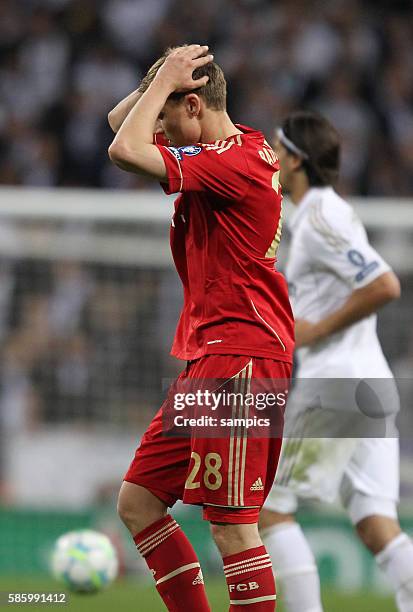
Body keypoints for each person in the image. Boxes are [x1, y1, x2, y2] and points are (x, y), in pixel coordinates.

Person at [108, 45, 294, 611]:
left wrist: (163, 81)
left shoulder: (233, 165)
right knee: (138, 501)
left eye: (167, 115)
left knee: (233, 526)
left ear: (192, 105)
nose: (159, 129)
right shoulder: (229, 146)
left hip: (242, 357)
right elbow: (121, 122)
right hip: (211, 358)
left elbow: (122, 148)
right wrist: (161, 86)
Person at [259, 111, 413, 612]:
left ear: (297, 160)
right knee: (376, 525)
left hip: (337, 385)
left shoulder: (322, 217)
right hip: (367, 384)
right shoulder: (314, 216)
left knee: (269, 511)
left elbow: (384, 284)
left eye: (278, 150)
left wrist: (313, 331)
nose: (272, 158)